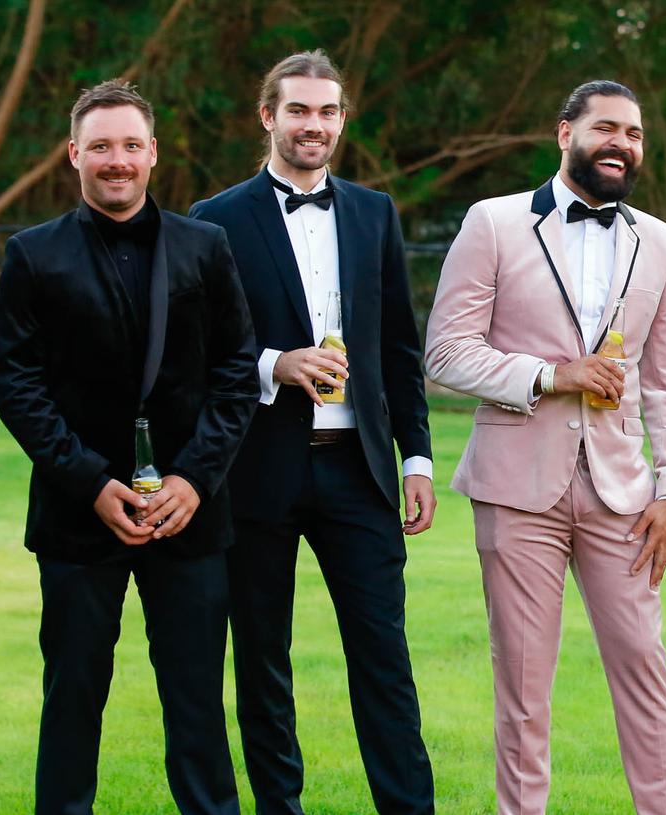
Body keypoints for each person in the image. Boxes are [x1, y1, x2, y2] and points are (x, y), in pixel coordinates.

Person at [422, 79, 666, 815]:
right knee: (522, 686)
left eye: (634, 133)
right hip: (516, 489)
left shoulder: (661, 243)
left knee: (646, 671)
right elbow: (445, 352)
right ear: (564, 132)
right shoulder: (493, 223)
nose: (622, 143)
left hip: (624, 496)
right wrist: (550, 375)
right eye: (606, 127)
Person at [0, 80, 256, 815]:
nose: (117, 160)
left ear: (153, 154)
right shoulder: (31, 255)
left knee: (199, 706)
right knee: (71, 700)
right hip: (80, 521)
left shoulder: (207, 247)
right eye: (101, 146)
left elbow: (237, 373)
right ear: (74, 154)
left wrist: (194, 481)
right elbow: (17, 387)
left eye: (130, 146)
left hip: (190, 517)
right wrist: (89, 481)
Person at [188, 49, 436, 815]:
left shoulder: (373, 212)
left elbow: (398, 346)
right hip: (258, 469)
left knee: (384, 661)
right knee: (263, 662)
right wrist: (273, 364)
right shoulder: (216, 220)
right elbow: (201, 352)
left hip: (358, 470)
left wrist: (417, 457)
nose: (313, 125)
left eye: (327, 112)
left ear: (340, 120)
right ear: (268, 117)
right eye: (298, 110)